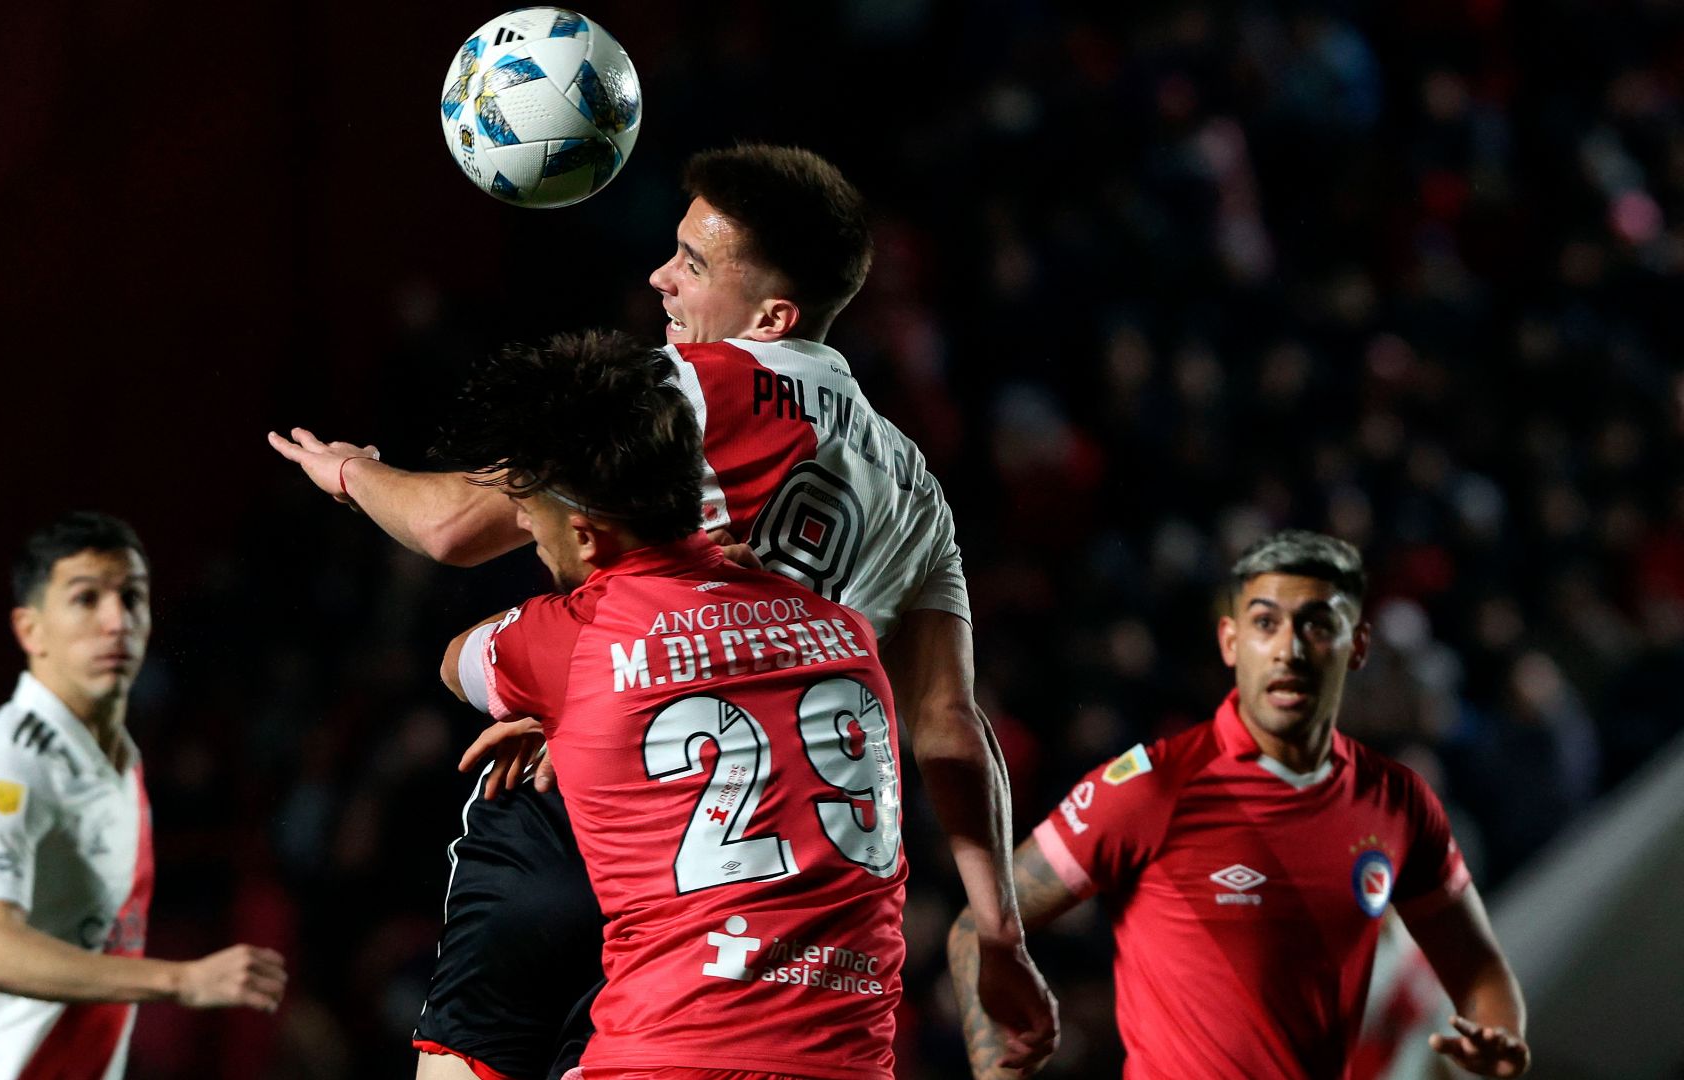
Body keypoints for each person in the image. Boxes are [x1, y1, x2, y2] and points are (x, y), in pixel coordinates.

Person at [268, 145, 1054, 1078]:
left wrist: (350, 475)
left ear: (773, 316)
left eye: (692, 262)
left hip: (603, 816)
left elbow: (454, 527)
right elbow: (950, 727)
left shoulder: (681, 388)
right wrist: (999, 929)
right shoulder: (917, 487)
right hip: (774, 882)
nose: (660, 278)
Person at [437, 328, 909, 1080]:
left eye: (529, 512)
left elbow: (459, 661)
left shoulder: (574, 636)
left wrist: (560, 706)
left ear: (585, 536)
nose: (523, 527)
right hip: (852, 1063)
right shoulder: (847, 633)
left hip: (671, 1051)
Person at [948, 530, 1531, 1079]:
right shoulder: (1151, 789)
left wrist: (1494, 1037)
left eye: (1316, 625)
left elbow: (1480, 973)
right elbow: (979, 928)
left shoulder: (1399, 802)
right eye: (1266, 624)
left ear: (1355, 647)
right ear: (1231, 642)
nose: (1289, 650)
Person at [0, 512, 288, 1080]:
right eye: (85, 598)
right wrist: (181, 980)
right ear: (30, 630)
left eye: (132, 597)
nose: (117, 621)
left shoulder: (119, 756)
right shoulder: (11, 763)